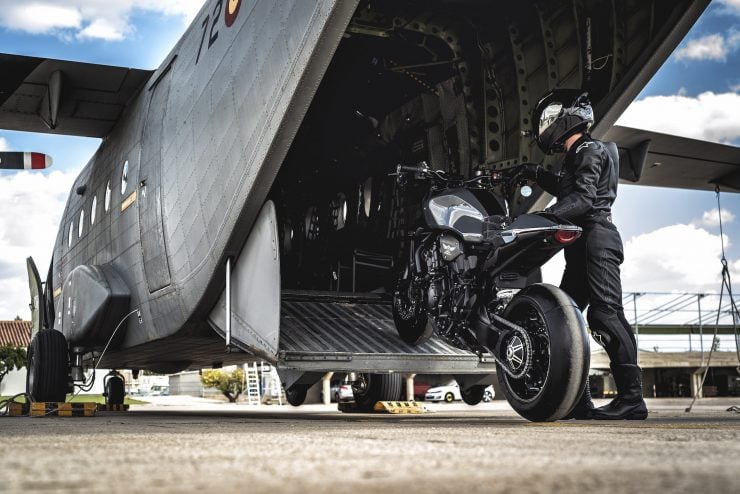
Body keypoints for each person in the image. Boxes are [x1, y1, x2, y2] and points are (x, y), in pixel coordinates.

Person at [510, 90, 647, 420]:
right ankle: (578, 400)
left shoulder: (588, 148)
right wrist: (534, 172)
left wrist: (545, 218)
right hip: (582, 244)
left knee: (604, 316)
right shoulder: (579, 154)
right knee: (561, 320)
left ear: (565, 117)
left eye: (550, 118)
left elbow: (583, 199)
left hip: (597, 239)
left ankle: (632, 399)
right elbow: (568, 187)